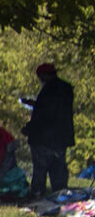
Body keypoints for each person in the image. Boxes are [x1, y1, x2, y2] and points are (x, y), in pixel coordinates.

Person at [25, 61, 76, 199]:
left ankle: (38, 193)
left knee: (41, 166)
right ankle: (60, 193)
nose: (40, 80)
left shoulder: (49, 90)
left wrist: (29, 128)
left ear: (45, 75)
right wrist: (36, 104)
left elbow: (46, 113)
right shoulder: (66, 88)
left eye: (40, 77)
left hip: (44, 137)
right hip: (62, 136)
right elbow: (57, 109)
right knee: (58, 167)